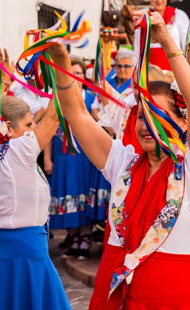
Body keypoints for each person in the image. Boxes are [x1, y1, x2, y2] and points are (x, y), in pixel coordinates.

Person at [51, 0, 190, 308]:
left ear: (182, 122)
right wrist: (60, 59)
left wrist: (167, 38)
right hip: (116, 289)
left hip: (172, 294)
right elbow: (76, 115)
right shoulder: (123, 162)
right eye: (142, 115)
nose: (146, 125)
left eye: (157, 115)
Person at [0, 94, 71, 310]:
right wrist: (61, 69)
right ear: (7, 127)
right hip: (25, 251)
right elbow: (53, 116)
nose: (32, 130)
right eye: (28, 124)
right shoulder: (20, 150)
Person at [45, 58, 109, 260]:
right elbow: (48, 130)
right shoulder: (55, 100)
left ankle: (86, 238)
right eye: (69, 72)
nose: (73, 76)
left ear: (84, 76)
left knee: (84, 195)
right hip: (62, 157)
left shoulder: (91, 100)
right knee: (67, 195)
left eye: (78, 73)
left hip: (86, 157)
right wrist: (47, 158)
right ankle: (73, 238)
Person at [135, 0, 189, 71]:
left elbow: (187, 46)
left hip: (176, 69)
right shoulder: (143, 19)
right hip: (150, 71)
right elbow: (137, 50)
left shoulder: (179, 15)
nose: (159, 0)